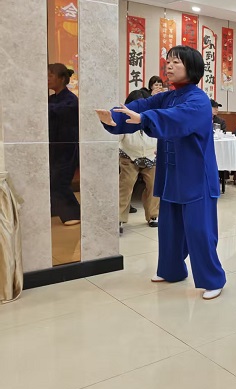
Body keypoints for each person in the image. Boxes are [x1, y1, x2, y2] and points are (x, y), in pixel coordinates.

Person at [95, 45, 226, 300]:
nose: (169, 65)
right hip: (172, 175)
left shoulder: (199, 100)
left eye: (176, 61)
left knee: (199, 231)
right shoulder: (167, 96)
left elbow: (176, 118)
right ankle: (171, 270)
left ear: (192, 67)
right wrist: (113, 118)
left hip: (196, 177)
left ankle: (213, 279)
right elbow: (142, 105)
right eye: (168, 60)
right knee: (169, 228)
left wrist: (145, 119)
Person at [118, 90, 159, 234]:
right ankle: (119, 217)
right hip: (129, 156)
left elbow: (161, 134)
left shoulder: (153, 118)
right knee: (126, 185)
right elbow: (117, 137)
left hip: (151, 155)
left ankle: (153, 215)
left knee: (154, 185)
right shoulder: (124, 119)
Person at [48, 63, 81, 226]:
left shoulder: (71, 100)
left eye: (50, 76)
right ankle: (56, 209)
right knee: (51, 180)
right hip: (53, 148)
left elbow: (54, 111)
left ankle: (73, 214)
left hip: (66, 149)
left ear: (61, 79)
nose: (47, 79)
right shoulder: (52, 99)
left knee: (59, 182)